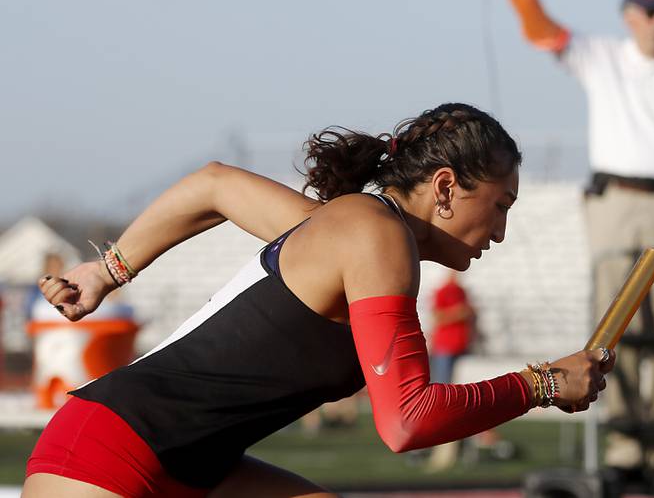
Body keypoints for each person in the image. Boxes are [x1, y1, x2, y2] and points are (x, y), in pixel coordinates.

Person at [24, 102, 615, 498]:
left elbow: (215, 185)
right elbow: (406, 422)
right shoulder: (374, 234)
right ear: (445, 187)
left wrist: (110, 270)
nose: (501, 231)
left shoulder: (347, 229)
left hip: (182, 461)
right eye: (501, 205)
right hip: (106, 456)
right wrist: (540, 385)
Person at [500, 0, 654, 476]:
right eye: (645, 12)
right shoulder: (601, 55)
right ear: (629, 17)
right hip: (616, 198)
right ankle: (625, 444)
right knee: (614, 323)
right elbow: (543, 32)